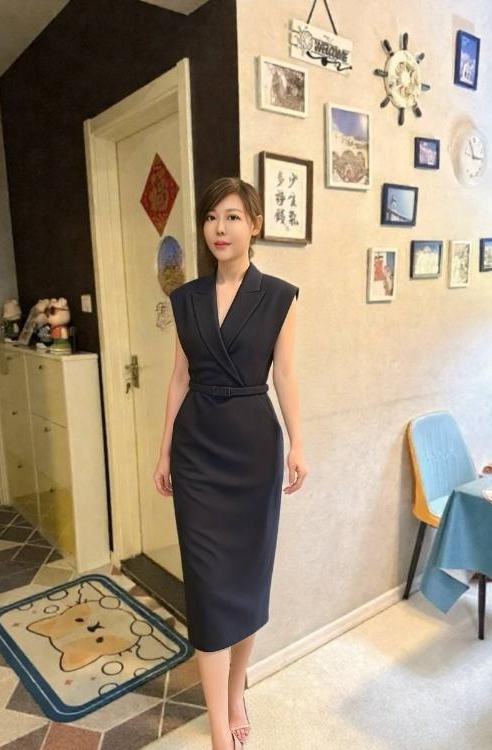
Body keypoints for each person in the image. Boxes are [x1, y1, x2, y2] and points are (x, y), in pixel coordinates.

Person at [153, 177, 307, 750]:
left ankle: (236, 687)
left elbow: (285, 374)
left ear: (255, 225)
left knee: (245, 582)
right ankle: (220, 729)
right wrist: (164, 449)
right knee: (208, 589)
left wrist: (298, 443)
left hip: (252, 451)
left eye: (234, 216)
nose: (220, 228)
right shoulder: (185, 299)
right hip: (197, 450)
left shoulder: (281, 296)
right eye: (212, 216)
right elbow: (179, 378)